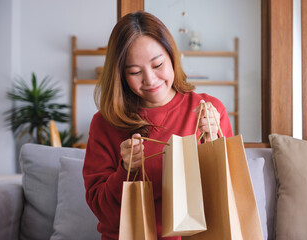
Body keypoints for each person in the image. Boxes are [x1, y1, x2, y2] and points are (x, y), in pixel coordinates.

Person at [83, 11, 233, 240]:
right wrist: (126, 171)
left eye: (158, 64)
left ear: (173, 57)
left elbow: (228, 200)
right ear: (120, 75)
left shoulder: (209, 110)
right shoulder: (104, 124)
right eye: (135, 72)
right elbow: (103, 213)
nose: (150, 80)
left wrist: (213, 146)